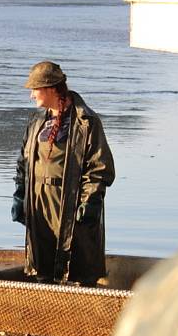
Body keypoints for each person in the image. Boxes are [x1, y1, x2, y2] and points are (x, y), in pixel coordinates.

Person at [12, 61, 114, 286]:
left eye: (34, 89)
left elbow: (100, 169)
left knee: (77, 265)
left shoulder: (87, 122)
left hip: (68, 203)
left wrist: (89, 203)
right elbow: (23, 163)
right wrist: (20, 196)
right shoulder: (37, 121)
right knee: (42, 265)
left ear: (50, 88)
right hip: (39, 202)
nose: (31, 96)